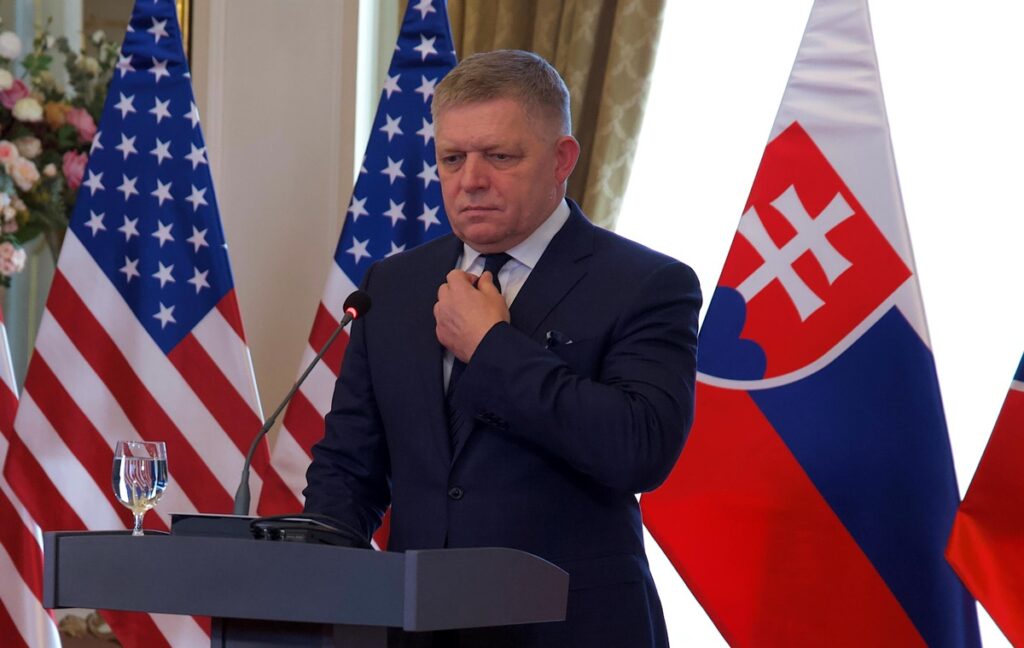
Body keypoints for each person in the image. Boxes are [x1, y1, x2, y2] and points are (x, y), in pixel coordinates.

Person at [304, 49, 701, 647]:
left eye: (499, 156)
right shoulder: (394, 285)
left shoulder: (646, 284)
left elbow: (639, 449)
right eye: (452, 158)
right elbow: (349, 467)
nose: (470, 180)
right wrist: (314, 579)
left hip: (572, 629)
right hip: (416, 629)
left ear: (561, 159)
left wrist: (491, 346)